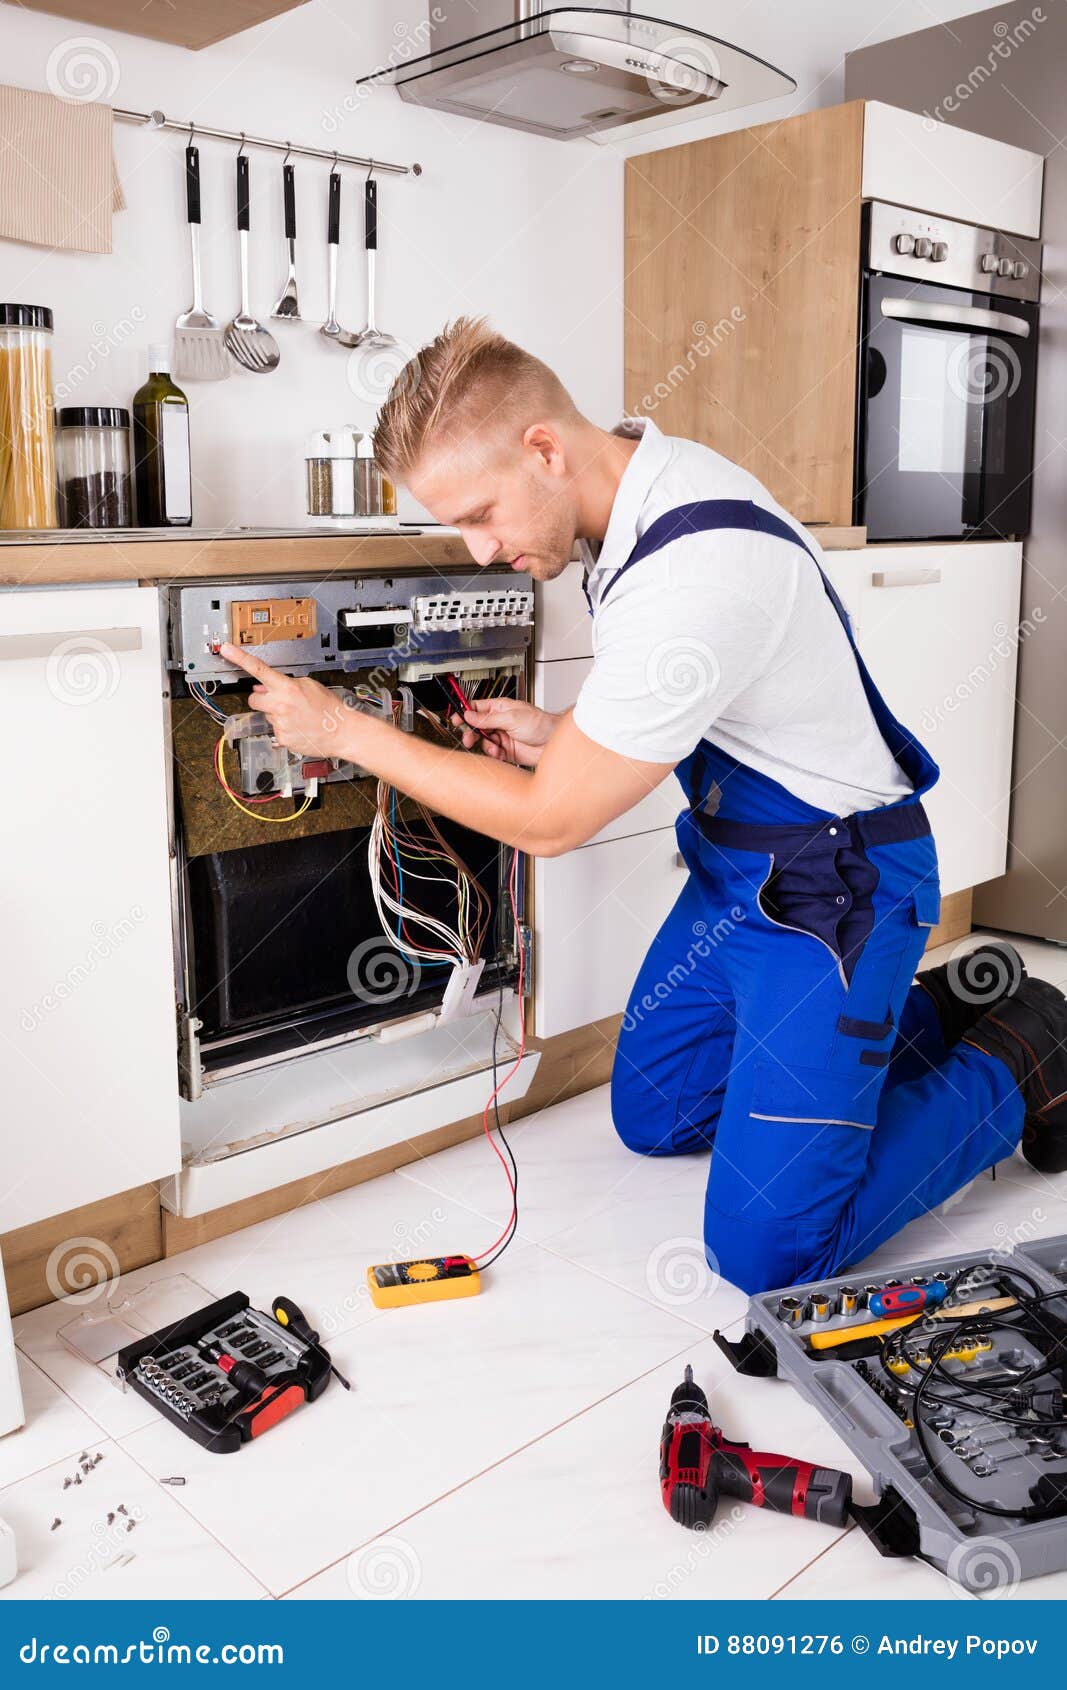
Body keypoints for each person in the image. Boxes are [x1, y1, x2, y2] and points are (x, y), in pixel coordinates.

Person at [221, 317, 1067, 1294]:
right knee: (657, 1112)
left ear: (543, 449)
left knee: (768, 1256)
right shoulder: (635, 489)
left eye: (481, 512)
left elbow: (551, 821)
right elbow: (699, 693)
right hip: (732, 874)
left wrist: (351, 734)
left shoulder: (690, 564)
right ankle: (929, 1010)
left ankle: (1022, 1053)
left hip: (835, 892)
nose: (479, 547)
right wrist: (564, 734)